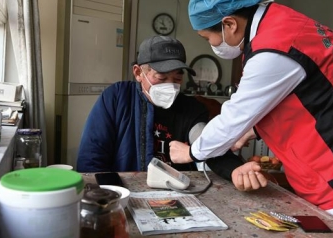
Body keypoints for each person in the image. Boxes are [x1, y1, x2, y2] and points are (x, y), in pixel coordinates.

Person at [169, 0, 333, 238]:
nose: (213, 44)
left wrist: (191, 152)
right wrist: (252, 131)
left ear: (229, 24)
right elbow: (309, 97)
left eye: (208, 37)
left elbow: (233, 116)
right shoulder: (284, 23)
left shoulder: (273, 48)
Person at [76, 35, 264, 187]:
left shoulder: (191, 108)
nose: (170, 86)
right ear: (138, 73)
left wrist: (234, 169)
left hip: (177, 191)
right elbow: (92, 157)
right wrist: (106, 194)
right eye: (161, 77)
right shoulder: (117, 98)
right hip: (125, 191)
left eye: (176, 79)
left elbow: (206, 142)